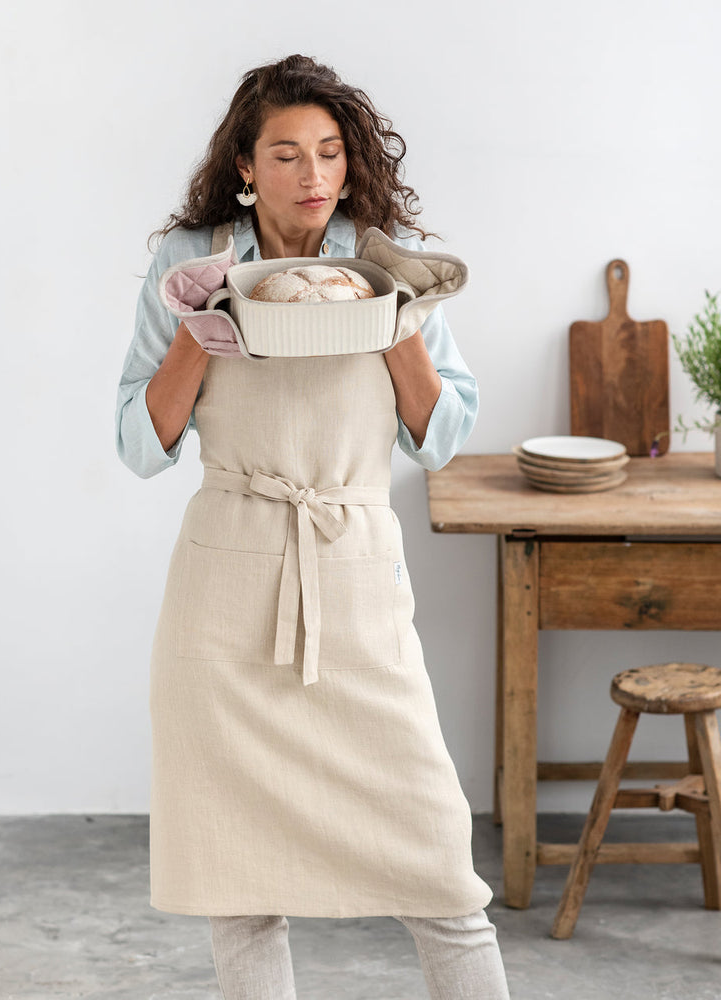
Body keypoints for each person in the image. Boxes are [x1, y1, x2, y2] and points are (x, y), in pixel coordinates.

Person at [115, 54, 510, 1000]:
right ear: (246, 166)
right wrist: (189, 337)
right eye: (286, 154)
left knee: (442, 871)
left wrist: (401, 315)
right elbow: (140, 442)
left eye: (329, 152)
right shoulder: (190, 263)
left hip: (353, 573)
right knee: (240, 883)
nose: (312, 175)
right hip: (225, 591)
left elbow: (440, 436)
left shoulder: (386, 256)